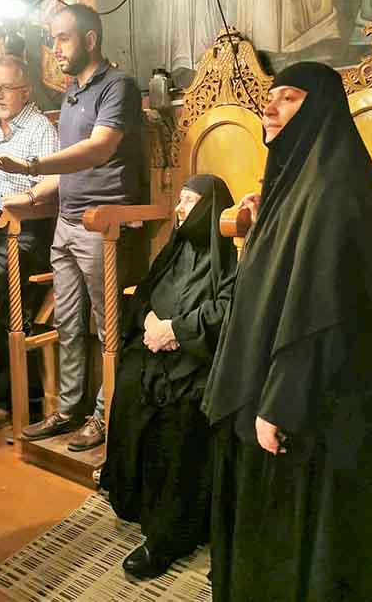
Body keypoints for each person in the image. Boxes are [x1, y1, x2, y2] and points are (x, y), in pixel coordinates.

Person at [202, 62, 372, 601]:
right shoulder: (300, 184)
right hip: (283, 389)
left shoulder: (335, 194)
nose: (269, 108)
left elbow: (322, 314)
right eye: (270, 96)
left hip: (308, 406)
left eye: (288, 98)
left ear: (320, 110)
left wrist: (280, 403)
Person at [0, 4, 143, 452]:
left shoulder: (118, 86)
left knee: (109, 329)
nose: (55, 49)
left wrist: (30, 164)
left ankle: (107, 416)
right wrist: (33, 195)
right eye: (51, 40)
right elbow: (67, 169)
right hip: (67, 223)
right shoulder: (71, 94)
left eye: (63, 39)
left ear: (90, 40)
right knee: (68, 323)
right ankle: (68, 410)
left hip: (102, 224)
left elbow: (99, 149)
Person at [99, 175, 236, 579]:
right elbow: (144, 294)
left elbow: (227, 311)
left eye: (189, 201)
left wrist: (176, 331)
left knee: (181, 412)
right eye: (179, 199)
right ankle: (135, 498)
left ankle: (169, 535)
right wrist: (151, 323)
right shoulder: (175, 248)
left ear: (209, 208)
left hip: (199, 361)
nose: (178, 208)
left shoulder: (230, 256)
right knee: (129, 384)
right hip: (155, 348)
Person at [0, 57, 59, 435]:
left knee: (9, 316)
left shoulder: (40, 128)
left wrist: (27, 199)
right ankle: (8, 403)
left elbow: (56, 179)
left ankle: (27, 406)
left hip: (27, 229)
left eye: (6, 88)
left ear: (26, 91)